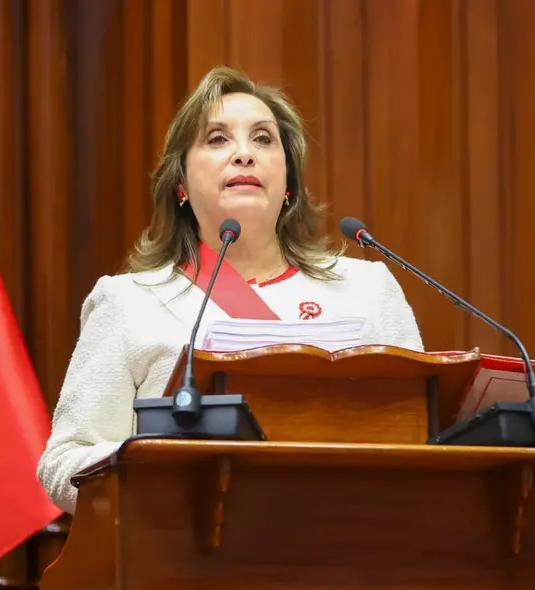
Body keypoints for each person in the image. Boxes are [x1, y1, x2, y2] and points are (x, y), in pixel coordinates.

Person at [36, 65, 424, 515]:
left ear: (289, 185)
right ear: (179, 184)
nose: (244, 153)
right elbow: (63, 463)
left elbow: (421, 435)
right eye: (217, 138)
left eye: (263, 138)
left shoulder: (367, 289)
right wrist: (160, 464)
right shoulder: (129, 302)